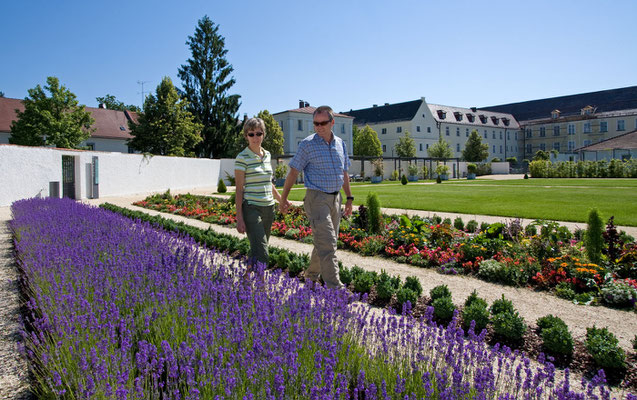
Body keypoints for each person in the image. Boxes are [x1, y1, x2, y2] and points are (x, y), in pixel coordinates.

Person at [279, 106, 353, 289]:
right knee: (328, 244)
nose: (319, 127)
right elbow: (293, 172)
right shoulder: (307, 144)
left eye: (323, 123)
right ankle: (335, 289)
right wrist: (283, 198)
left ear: (332, 122)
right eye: (315, 123)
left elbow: (344, 173)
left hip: (336, 200)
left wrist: (349, 198)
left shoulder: (340, 144)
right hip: (316, 199)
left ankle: (311, 277)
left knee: (324, 242)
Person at [234, 117, 282, 268]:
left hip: (269, 208)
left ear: (263, 134)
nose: (255, 137)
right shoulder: (242, 158)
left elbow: (269, 183)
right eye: (251, 134)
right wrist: (239, 218)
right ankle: (261, 288)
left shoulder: (267, 155)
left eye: (258, 133)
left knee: (257, 249)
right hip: (252, 208)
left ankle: (246, 282)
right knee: (263, 253)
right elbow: (239, 190)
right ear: (246, 136)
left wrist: (282, 200)